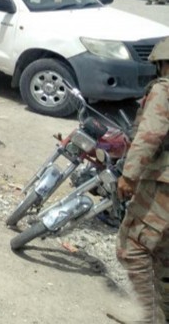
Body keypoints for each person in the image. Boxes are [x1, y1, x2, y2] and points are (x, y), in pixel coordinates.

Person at [116, 37, 169, 322]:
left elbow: (151, 133)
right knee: (164, 259)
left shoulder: (165, 90)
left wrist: (129, 175)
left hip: (163, 185)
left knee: (132, 247)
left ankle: (145, 317)